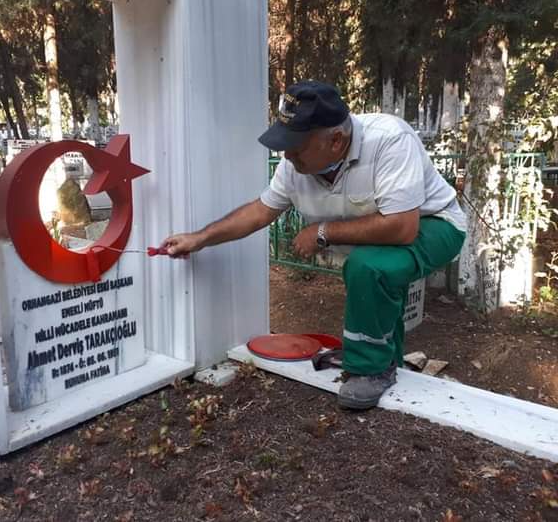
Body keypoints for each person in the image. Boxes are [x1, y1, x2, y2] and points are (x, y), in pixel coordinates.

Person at [161, 81, 466, 409]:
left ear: (336, 140)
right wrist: (200, 238)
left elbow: (402, 228)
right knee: (376, 270)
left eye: (296, 146)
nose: (287, 155)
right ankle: (389, 363)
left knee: (368, 266)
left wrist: (323, 232)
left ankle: (369, 370)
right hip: (387, 237)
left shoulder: (390, 140)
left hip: (435, 224)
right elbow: (258, 212)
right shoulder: (295, 168)